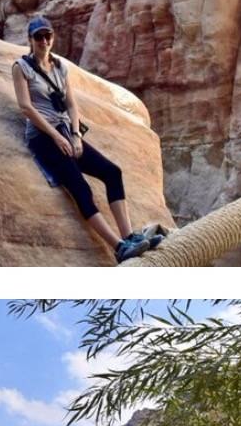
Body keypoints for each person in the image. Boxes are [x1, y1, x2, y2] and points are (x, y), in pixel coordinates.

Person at [11, 18, 162, 263]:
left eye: (47, 35)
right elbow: (26, 107)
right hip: (43, 136)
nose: (44, 41)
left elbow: (71, 103)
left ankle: (130, 237)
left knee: (112, 172)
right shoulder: (21, 67)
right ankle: (119, 247)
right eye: (38, 37)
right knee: (80, 187)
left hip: (66, 132)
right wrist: (56, 136)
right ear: (30, 40)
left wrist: (75, 135)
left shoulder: (59, 66)